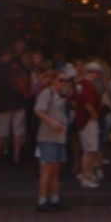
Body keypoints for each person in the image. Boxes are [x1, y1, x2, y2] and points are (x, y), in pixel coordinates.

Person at [32, 70, 71, 212]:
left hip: (60, 137)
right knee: (47, 169)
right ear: (53, 80)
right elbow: (38, 110)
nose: (64, 83)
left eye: (66, 81)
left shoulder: (63, 96)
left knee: (56, 169)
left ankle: (55, 198)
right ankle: (42, 200)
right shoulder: (46, 93)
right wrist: (51, 122)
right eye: (61, 80)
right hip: (48, 137)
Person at [0, 49, 28, 165]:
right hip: (19, 101)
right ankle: (16, 157)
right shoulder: (21, 68)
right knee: (18, 131)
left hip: (4, 102)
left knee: (1, 131)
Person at [75, 62, 106, 189]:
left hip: (83, 120)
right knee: (90, 150)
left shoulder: (81, 85)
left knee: (89, 149)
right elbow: (88, 104)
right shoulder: (88, 86)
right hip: (88, 120)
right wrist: (94, 115)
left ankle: (86, 173)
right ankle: (86, 175)